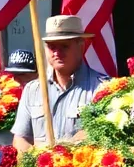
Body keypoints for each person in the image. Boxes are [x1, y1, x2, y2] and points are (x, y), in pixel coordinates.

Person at [12, 15, 107, 151]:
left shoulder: (102, 89)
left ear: (81, 47)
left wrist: (60, 157)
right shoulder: (32, 90)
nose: (57, 53)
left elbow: (99, 136)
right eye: (52, 47)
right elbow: (21, 139)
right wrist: (33, 163)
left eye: (64, 46)